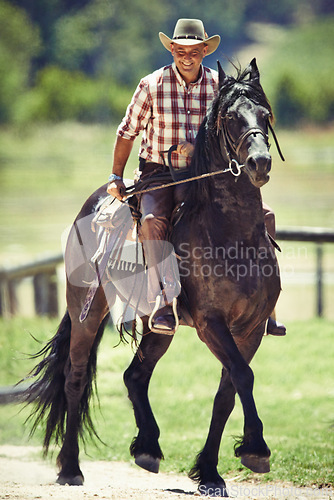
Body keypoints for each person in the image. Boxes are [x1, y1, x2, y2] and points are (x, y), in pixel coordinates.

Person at [107, 18, 286, 336]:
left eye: (194, 49)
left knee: (266, 215)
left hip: (209, 173)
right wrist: (115, 176)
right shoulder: (152, 85)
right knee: (152, 221)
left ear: (204, 49)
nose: (186, 55)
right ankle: (161, 302)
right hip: (160, 172)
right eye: (180, 49)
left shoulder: (219, 86)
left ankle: (267, 306)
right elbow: (127, 132)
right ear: (172, 49)